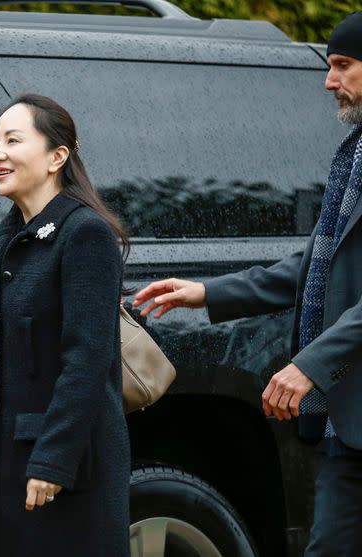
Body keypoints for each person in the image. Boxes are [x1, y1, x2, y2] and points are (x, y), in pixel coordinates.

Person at [132, 12, 362, 556]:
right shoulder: (352, 155)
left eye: (344, 66)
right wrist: (208, 292)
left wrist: (311, 364)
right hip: (347, 424)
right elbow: (316, 268)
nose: (329, 81)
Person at [0, 93, 130, 557]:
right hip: (15, 459)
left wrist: (53, 460)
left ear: (57, 156)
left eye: (13, 141)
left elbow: (87, 359)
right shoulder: (10, 237)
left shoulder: (84, 234)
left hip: (65, 468)